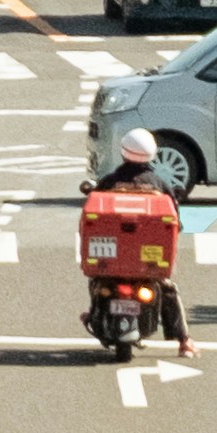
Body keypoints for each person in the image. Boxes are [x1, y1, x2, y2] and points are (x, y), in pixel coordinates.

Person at [78, 130, 187, 354]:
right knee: (168, 290)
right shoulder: (159, 185)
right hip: (147, 263)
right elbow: (176, 220)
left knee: (97, 281)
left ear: (123, 152)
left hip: (111, 262)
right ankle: (184, 341)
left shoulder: (109, 182)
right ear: (152, 154)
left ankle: (94, 313)